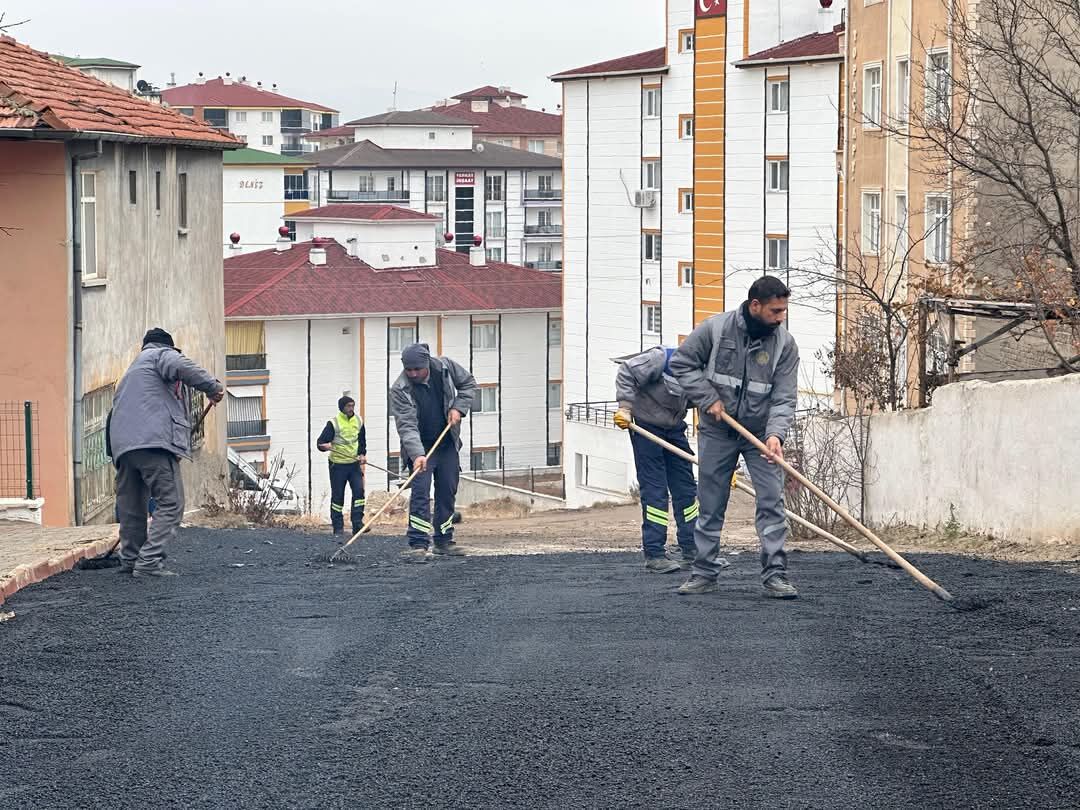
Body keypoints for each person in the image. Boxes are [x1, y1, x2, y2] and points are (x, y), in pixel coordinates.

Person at [670, 276, 801, 599]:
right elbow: (681, 364)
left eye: (784, 310)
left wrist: (775, 436)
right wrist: (706, 397)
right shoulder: (715, 330)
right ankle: (703, 572)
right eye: (775, 310)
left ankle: (775, 575)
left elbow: (784, 398)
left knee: (772, 501)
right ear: (755, 305)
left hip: (759, 434)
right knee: (711, 503)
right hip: (718, 430)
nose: (781, 317)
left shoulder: (784, 345)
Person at [108, 328, 224, 577]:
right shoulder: (160, 355)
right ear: (167, 347)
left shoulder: (132, 373)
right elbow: (180, 366)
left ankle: (130, 559)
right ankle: (149, 563)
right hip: (152, 444)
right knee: (171, 503)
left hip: (123, 448)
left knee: (132, 507)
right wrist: (212, 387)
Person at [613, 347, 699, 573]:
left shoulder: (705, 373)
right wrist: (624, 408)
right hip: (645, 427)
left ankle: (692, 549)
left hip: (674, 428)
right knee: (655, 491)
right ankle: (655, 554)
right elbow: (626, 372)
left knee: (686, 490)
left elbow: (705, 406)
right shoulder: (662, 359)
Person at [389, 343, 477, 562]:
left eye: (417, 369)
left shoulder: (445, 368)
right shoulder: (399, 389)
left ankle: (444, 541)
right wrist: (417, 454)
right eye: (409, 370)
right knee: (420, 492)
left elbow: (468, 384)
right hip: (421, 447)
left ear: (426, 363)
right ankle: (418, 544)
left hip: (446, 442)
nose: (413, 374)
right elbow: (406, 425)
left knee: (447, 491)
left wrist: (458, 408)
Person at [316, 396, 367, 536]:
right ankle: (338, 527)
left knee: (359, 492)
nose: (351, 409)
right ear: (342, 408)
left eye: (352, 405)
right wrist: (325, 446)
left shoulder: (358, 421)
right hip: (337, 465)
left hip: (353, 464)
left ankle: (357, 523)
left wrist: (362, 454)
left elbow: (362, 440)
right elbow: (320, 443)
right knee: (338, 496)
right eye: (348, 406)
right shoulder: (333, 423)